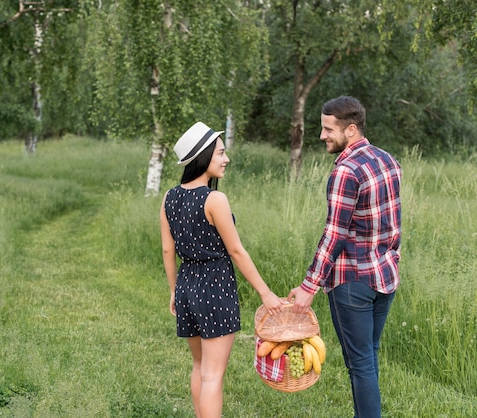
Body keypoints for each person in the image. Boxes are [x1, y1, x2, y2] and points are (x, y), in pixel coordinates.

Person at [288, 96, 401, 418]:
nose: (322, 135)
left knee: (361, 364)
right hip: (384, 277)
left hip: (352, 283)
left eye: (328, 129)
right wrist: (393, 256)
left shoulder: (346, 171)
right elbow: (393, 222)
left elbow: (334, 233)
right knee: (369, 356)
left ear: (350, 130)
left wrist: (310, 286)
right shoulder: (388, 160)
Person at [160, 121, 283, 418]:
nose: (226, 159)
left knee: (200, 368)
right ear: (203, 157)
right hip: (215, 288)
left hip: (188, 285)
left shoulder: (169, 198)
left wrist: (174, 290)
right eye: (220, 154)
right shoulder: (214, 199)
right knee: (213, 376)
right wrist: (266, 294)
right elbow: (236, 251)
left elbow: (167, 250)